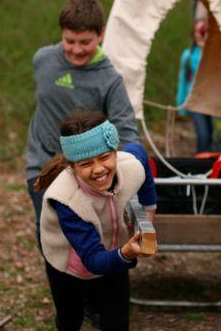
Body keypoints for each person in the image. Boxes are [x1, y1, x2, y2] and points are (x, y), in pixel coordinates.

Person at [26, 0, 146, 237]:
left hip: (86, 171)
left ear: (100, 35)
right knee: (48, 231)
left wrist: (131, 169)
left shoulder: (110, 80)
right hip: (41, 164)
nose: (77, 50)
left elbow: (128, 133)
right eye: (70, 41)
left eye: (85, 42)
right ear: (61, 33)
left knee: (83, 238)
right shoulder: (43, 60)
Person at [35, 109, 156, 330]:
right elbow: (92, 259)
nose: (99, 169)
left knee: (117, 322)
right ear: (72, 167)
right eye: (86, 164)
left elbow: (143, 159)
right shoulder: (66, 199)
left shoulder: (131, 165)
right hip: (68, 263)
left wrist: (149, 209)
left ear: (115, 152)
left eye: (104, 157)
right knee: (70, 319)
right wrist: (126, 252)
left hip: (111, 249)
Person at [175, 19, 213, 153]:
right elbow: (182, 80)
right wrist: (181, 105)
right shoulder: (188, 55)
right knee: (203, 135)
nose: (202, 34)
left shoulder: (214, 55)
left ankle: (212, 167)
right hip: (195, 101)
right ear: (194, 34)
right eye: (199, 31)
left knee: (212, 136)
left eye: (205, 31)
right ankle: (201, 166)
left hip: (211, 101)